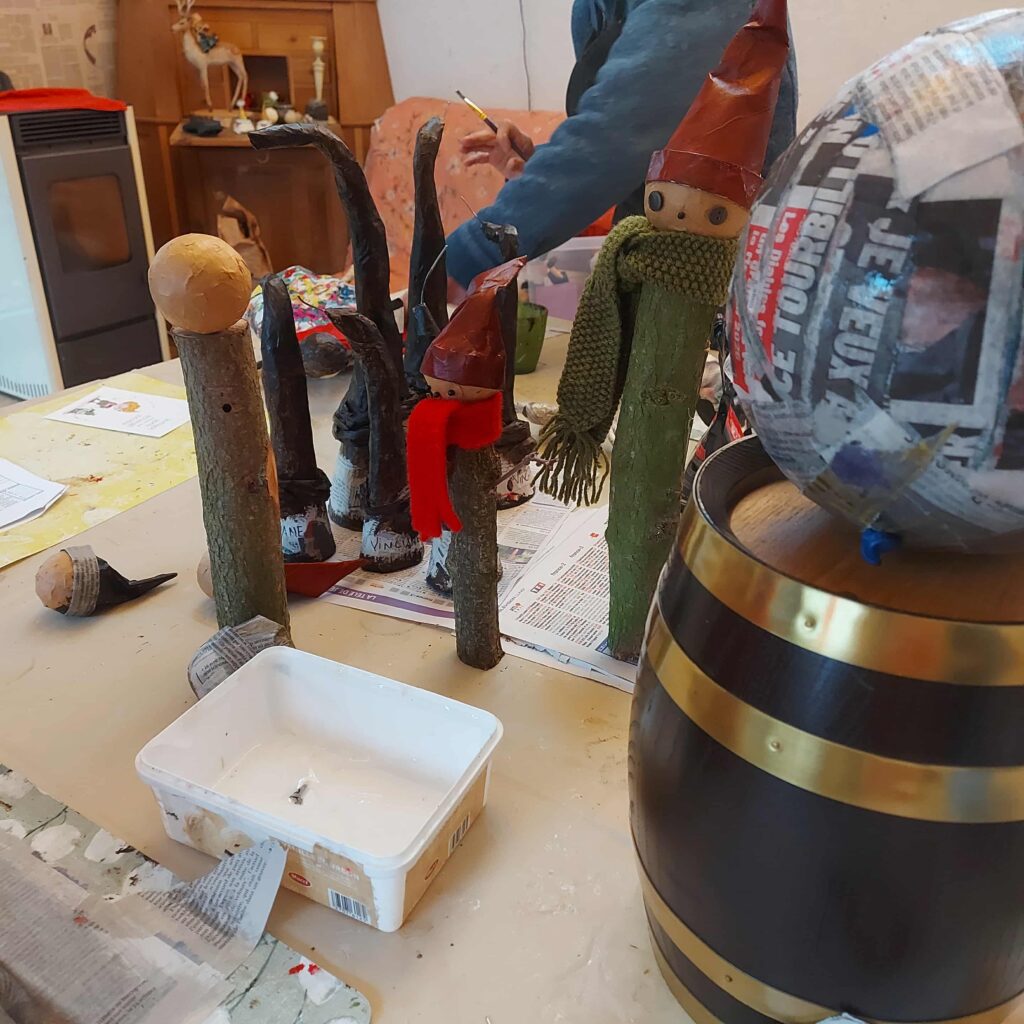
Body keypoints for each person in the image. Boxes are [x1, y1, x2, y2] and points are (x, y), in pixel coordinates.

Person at [446, 0, 798, 288]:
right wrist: (540, 166)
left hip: (715, 276)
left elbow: (616, 137)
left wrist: (465, 257)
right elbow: (631, 135)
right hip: (649, 262)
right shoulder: (593, 7)